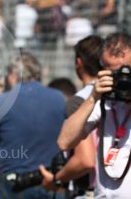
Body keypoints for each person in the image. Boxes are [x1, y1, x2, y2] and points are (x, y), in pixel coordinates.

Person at [0, 52, 66, 198]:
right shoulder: (59, 97)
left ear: (12, 74)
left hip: (16, 184)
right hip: (51, 180)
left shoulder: (4, 101)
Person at [58, 32, 131, 198]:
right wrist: (92, 98)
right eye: (116, 73)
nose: (123, 80)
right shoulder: (103, 101)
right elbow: (64, 142)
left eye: (127, 72)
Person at [40, 35, 104, 198]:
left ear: (79, 63)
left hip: (91, 191)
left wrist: (56, 179)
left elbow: (85, 160)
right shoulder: (117, 96)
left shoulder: (81, 100)